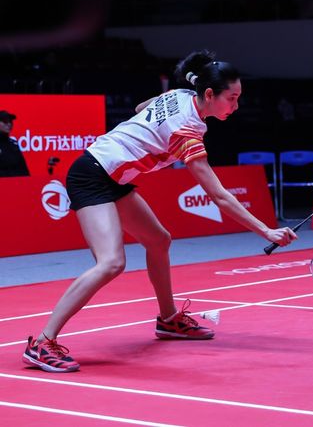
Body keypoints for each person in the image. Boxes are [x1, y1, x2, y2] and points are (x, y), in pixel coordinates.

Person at [23, 50, 298, 373]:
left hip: (114, 175)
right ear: (209, 94)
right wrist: (266, 231)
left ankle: (168, 320)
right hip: (92, 174)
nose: (236, 107)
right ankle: (41, 342)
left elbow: (142, 108)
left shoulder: (179, 94)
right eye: (232, 98)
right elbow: (219, 197)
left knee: (158, 239)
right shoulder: (188, 131)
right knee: (111, 262)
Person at [0, 110, 30, 177]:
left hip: (17, 185)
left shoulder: (14, 145)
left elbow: (25, 171)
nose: (9, 124)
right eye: (5, 121)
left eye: (10, 121)